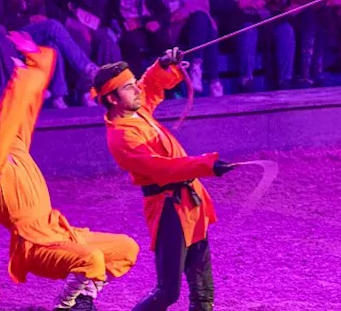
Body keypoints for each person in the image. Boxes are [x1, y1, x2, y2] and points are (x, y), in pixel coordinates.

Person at [0, 34, 139, 311]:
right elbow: (5, 119)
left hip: (60, 233)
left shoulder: (15, 147)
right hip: (35, 245)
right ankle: (65, 305)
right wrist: (21, 80)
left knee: (126, 248)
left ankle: (85, 297)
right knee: (92, 258)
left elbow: (24, 112)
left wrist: (36, 65)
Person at [95, 49, 246, 311]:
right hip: (169, 208)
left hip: (189, 202)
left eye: (133, 85)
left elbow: (149, 86)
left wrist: (162, 65)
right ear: (111, 98)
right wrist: (206, 165)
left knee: (203, 290)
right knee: (168, 291)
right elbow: (162, 169)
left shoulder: (135, 110)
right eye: (129, 88)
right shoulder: (121, 136)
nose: (137, 90)